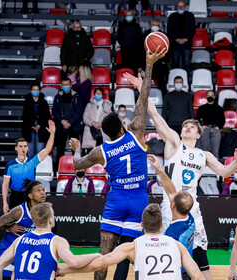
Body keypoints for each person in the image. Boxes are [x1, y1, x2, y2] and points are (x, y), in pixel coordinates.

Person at [125, 72, 237, 280]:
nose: (187, 127)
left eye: (191, 126)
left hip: (192, 208)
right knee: (168, 253)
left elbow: (224, 172)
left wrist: (236, 162)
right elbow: (155, 115)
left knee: (200, 254)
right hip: (170, 205)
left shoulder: (204, 154)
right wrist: (142, 89)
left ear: (199, 135)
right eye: (185, 126)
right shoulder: (174, 143)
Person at [68, 48, 166, 280]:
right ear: (122, 127)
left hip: (115, 202)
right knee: (129, 253)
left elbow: (77, 166)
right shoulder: (137, 133)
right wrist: (149, 65)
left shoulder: (100, 151)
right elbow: (144, 99)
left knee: (104, 256)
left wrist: (75, 150)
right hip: (138, 201)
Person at [56, 203, 205, 280]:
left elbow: (98, 264)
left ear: (141, 225)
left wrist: (64, 271)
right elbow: (197, 276)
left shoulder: (132, 246)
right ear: (161, 225)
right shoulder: (177, 245)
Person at [0, 202, 101, 280]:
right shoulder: (57, 241)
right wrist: (96, 255)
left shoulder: (19, 240)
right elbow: (74, 262)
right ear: (50, 220)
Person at [148, 154, 196, 279]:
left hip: (178, 273)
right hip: (189, 270)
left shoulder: (172, 233)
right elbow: (171, 191)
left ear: (172, 205)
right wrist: (160, 170)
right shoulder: (190, 218)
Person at [2, 121, 55, 214]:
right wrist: (5, 202)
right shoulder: (10, 165)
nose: (23, 148)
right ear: (16, 148)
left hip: (30, 196)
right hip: (15, 196)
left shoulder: (32, 162)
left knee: (31, 222)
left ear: (27, 148)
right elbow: (5, 185)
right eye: (20, 146)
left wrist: (52, 133)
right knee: (15, 224)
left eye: (25, 146)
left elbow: (47, 150)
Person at [52, 78, 84, 163]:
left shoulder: (77, 96)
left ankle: (77, 168)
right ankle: (59, 169)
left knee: (75, 150)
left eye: (67, 85)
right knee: (60, 149)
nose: (66, 86)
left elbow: (79, 112)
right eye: (64, 85)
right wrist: (62, 121)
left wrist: (70, 122)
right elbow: (55, 111)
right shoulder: (57, 97)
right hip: (61, 127)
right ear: (61, 86)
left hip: (74, 127)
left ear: (71, 85)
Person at [167, 0, 196, 74]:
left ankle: (186, 81)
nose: (180, 8)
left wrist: (186, 39)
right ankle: (174, 79)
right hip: (175, 44)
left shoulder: (190, 16)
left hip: (187, 44)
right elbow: (169, 30)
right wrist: (176, 39)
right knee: (175, 64)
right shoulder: (172, 16)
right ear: (176, 7)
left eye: (182, 6)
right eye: (179, 6)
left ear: (185, 7)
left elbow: (193, 30)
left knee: (186, 64)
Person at [22, 84, 51, 157]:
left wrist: (40, 125)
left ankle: (39, 168)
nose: (35, 91)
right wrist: (31, 125)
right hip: (29, 128)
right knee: (30, 151)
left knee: (39, 150)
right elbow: (25, 116)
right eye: (34, 90)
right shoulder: (27, 102)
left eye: (37, 90)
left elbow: (46, 116)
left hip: (41, 128)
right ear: (31, 91)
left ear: (40, 91)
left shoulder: (44, 102)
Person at [142, 18, 170, 95]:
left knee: (162, 84)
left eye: (157, 25)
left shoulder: (163, 36)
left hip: (160, 64)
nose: (155, 26)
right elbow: (140, 51)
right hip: (148, 63)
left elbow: (168, 49)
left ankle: (164, 99)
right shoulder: (144, 35)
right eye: (153, 25)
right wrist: (140, 66)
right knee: (145, 84)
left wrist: (165, 60)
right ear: (150, 25)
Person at [195, 90, 225, 158]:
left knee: (215, 151)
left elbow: (222, 120)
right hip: (205, 130)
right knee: (205, 151)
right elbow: (197, 119)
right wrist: (201, 126)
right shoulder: (201, 108)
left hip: (216, 130)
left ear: (214, 97)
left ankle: (215, 168)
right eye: (208, 95)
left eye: (211, 96)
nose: (210, 97)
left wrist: (219, 126)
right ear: (206, 97)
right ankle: (205, 167)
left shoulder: (219, 108)